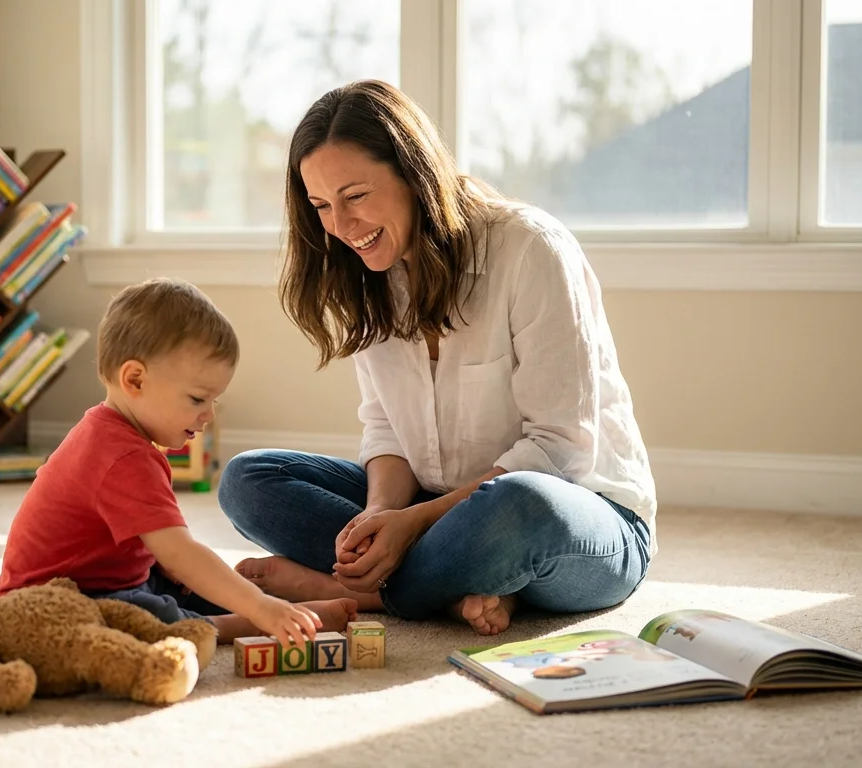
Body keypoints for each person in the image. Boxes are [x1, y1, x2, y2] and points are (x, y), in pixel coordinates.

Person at [217, 79, 657, 636]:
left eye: (355, 196)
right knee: (247, 479)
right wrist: (380, 515)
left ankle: (365, 593)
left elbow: (559, 449)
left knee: (519, 506)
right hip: (434, 511)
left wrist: (414, 523)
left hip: (575, 514)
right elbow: (387, 431)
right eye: (322, 206)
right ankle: (451, 589)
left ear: (414, 175)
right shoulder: (369, 271)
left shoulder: (529, 248)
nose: (341, 227)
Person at [0, 277, 358, 647]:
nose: (208, 416)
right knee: (156, 618)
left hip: (104, 577)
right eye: (199, 399)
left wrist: (176, 570)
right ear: (135, 380)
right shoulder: (124, 457)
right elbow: (180, 552)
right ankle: (247, 624)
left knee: (184, 584)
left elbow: (150, 548)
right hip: (53, 602)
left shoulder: (106, 431)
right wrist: (261, 608)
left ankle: (273, 609)